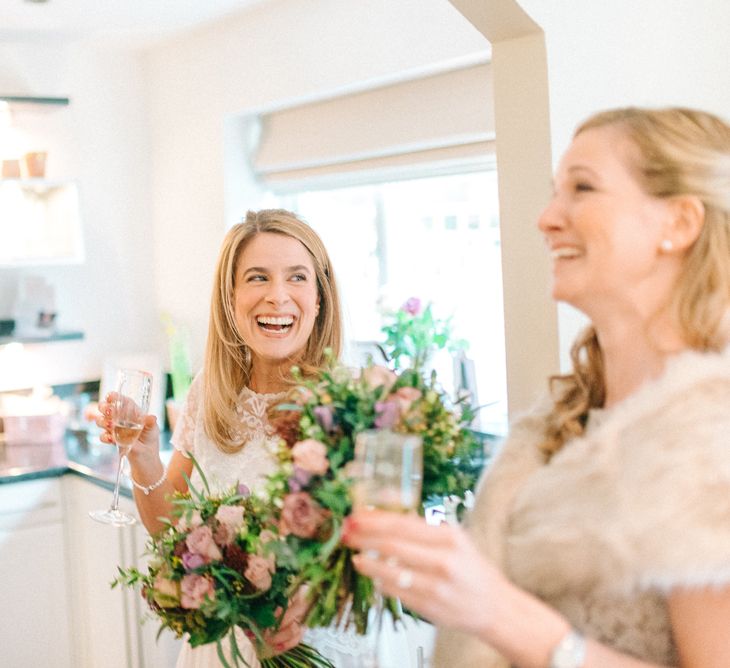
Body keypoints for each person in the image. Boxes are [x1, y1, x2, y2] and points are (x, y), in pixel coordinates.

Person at [342, 107, 730, 667]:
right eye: (555, 192)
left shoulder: (707, 435)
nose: (547, 217)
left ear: (679, 223)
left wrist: (500, 614)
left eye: (583, 188)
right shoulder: (560, 424)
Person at [98, 209, 350, 666]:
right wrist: (144, 459)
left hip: (315, 642)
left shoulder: (349, 404)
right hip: (224, 650)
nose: (277, 297)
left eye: (297, 277)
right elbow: (168, 531)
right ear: (230, 297)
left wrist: (309, 604)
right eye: (257, 278)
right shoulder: (208, 392)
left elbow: (381, 553)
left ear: (319, 298)